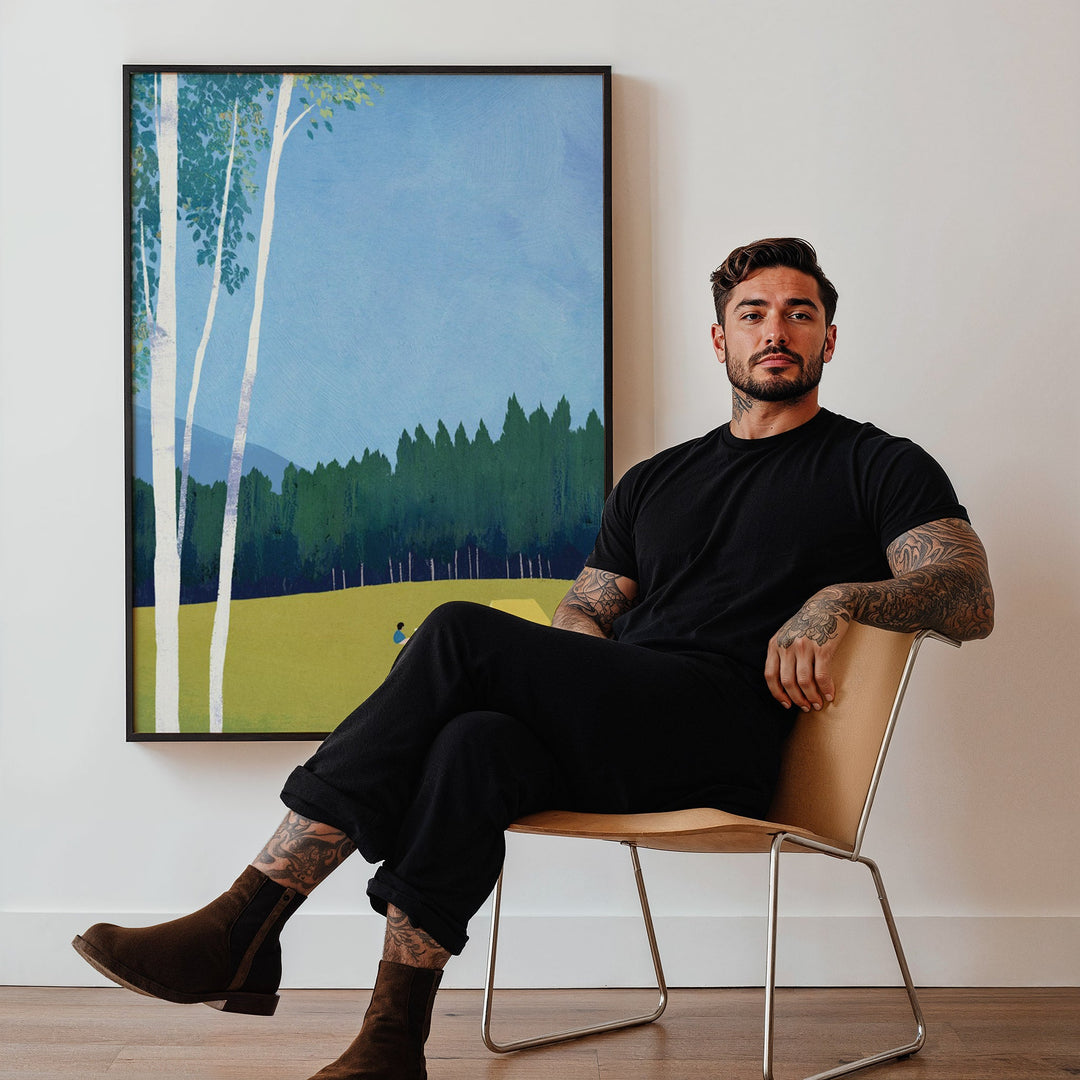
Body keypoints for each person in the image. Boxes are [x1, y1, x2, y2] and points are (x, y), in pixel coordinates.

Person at [73, 238, 994, 1080]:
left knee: (459, 630)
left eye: (800, 312)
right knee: (476, 741)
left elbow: (967, 592)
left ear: (831, 338)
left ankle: (246, 918)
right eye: (753, 313)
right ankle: (392, 1041)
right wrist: (572, 660)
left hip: (726, 736)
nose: (776, 329)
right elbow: (585, 610)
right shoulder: (657, 480)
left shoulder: (879, 464)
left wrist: (840, 599)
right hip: (625, 717)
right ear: (719, 341)